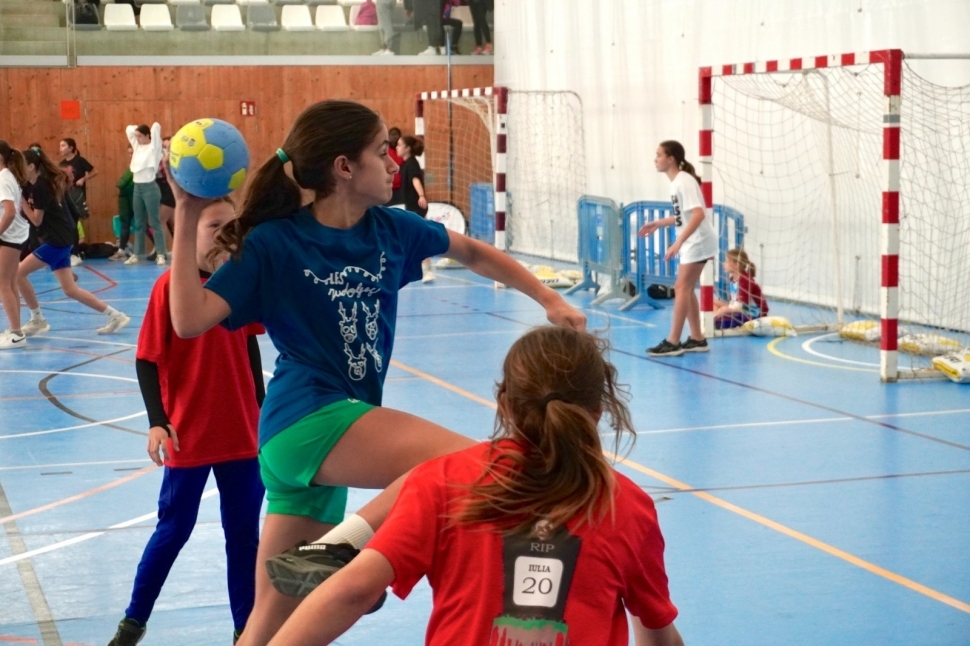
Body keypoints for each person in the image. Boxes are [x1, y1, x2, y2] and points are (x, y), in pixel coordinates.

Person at [164, 99, 585, 646]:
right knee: (467, 464)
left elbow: (472, 253)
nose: (393, 164)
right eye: (381, 152)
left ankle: (335, 554)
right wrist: (186, 214)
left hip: (322, 443)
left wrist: (548, 298)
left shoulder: (392, 230)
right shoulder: (277, 242)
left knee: (271, 627)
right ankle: (347, 548)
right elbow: (189, 320)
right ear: (344, 167)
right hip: (308, 418)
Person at [266, 326, 684, 646]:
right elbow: (656, 629)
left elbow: (353, 590)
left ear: (504, 404)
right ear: (598, 411)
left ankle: (337, 542)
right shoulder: (626, 505)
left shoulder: (441, 482)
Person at [107, 198, 266, 646]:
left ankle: (245, 631)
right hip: (188, 435)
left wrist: (262, 409)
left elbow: (250, 345)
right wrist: (157, 421)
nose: (225, 234)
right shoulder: (169, 289)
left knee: (244, 536)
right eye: (214, 225)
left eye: (232, 225)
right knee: (173, 530)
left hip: (242, 434)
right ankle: (133, 622)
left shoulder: (237, 283)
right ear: (186, 232)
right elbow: (146, 359)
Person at [16, 149, 130, 338]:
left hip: (57, 241)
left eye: (22, 166)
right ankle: (115, 315)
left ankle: (37, 320)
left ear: (31, 167)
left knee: (19, 274)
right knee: (70, 289)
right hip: (61, 240)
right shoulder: (32, 185)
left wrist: (22, 203)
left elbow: (36, 220)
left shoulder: (41, 186)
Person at [639, 140, 719, 357]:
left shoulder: (684, 181)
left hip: (698, 240)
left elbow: (698, 214)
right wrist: (658, 223)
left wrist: (679, 241)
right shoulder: (677, 182)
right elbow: (683, 217)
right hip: (694, 240)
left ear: (671, 159)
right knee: (686, 287)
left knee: (681, 287)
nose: (655, 159)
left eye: (659, 155)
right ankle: (697, 339)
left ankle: (673, 341)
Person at [0, 141, 29, 350]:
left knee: (3, 284)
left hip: (9, 236)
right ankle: (15, 330)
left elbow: (10, 212)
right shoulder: (8, 176)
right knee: (9, 283)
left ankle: (17, 334)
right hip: (14, 235)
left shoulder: (3, 178)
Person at [125, 123, 167, 266]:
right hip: (137, 188)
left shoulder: (154, 148)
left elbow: (156, 127)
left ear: (148, 136)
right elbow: (129, 129)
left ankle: (161, 253)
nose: (137, 139)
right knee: (138, 222)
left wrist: (148, 131)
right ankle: (137, 254)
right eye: (136, 137)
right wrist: (137, 130)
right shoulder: (137, 147)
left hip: (150, 188)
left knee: (155, 222)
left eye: (140, 136)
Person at [395, 135, 434, 283]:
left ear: (407, 148)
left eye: (399, 145)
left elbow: (415, 180)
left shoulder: (412, 164)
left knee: (420, 238)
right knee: (411, 239)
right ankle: (414, 268)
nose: (397, 147)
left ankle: (428, 270)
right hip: (410, 206)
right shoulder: (405, 164)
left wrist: (421, 196)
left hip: (417, 206)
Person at [713, 248, 768, 330]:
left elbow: (738, 306)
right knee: (712, 302)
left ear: (736, 265)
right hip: (741, 310)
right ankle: (715, 320)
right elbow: (733, 304)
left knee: (723, 310)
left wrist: (723, 310)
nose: (723, 264)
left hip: (754, 314)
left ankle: (715, 320)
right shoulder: (733, 279)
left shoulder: (745, 280)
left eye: (727, 261)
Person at [58, 137, 97, 222]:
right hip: (65, 195)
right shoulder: (61, 164)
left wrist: (83, 179)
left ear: (71, 148)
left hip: (77, 194)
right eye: (60, 146)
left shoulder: (79, 160)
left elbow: (94, 171)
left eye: (63, 146)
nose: (60, 148)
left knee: (74, 219)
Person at [386, 127, 403, 205]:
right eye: (392, 135)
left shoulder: (403, 150)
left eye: (396, 134)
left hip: (401, 187)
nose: (394, 137)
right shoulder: (385, 151)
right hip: (389, 187)